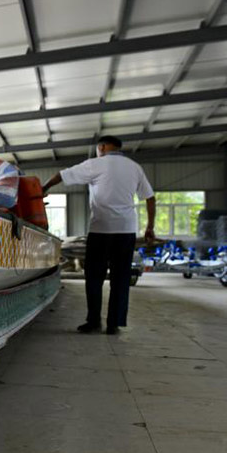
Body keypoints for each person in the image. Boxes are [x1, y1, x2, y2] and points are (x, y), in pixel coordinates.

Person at [41, 136, 156, 335]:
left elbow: (62, 175)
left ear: (101, 147)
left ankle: (93, 321)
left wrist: (43, 189)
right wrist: (150, 227)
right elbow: (150, 198)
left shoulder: (96, 164)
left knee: (94, 277)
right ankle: (114, 324)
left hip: (101, 230)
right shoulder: (134, 167)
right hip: (126, 231)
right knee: (121, 278)